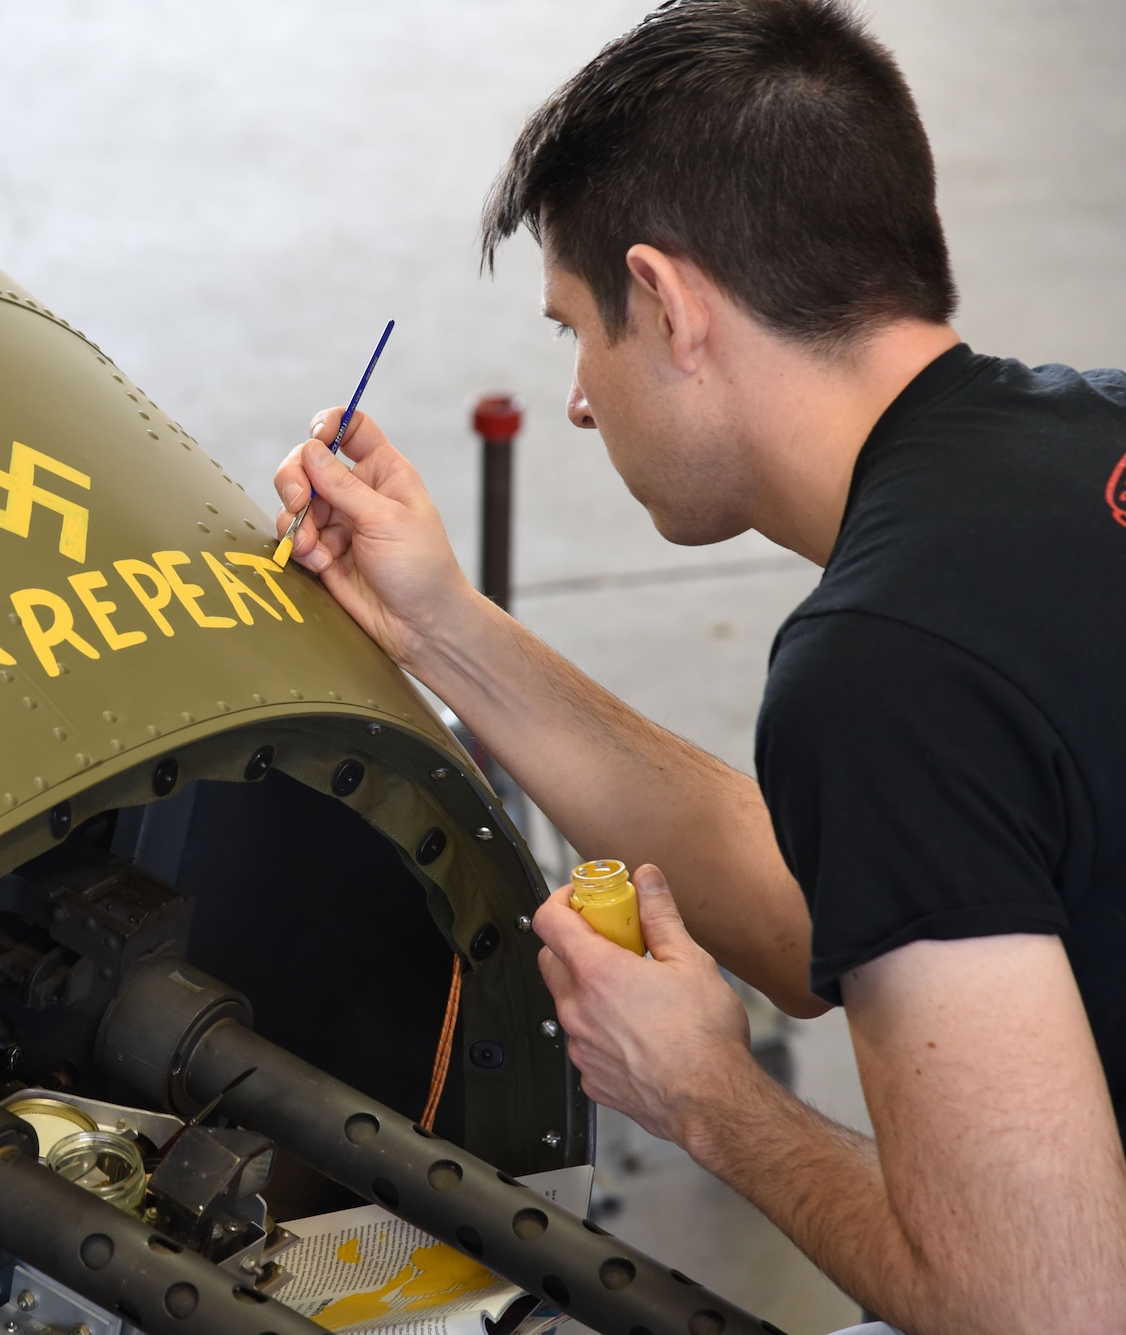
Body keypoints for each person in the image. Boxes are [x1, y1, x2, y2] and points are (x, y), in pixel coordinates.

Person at [271, 1, 1126, 1331]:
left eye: (575, 331)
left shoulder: (884, 666)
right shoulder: (1093, 435)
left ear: (667, 305)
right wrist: (437, 623)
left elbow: (1042, 1305)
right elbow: (836, 903)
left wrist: (704, 1098)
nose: (576, 399)